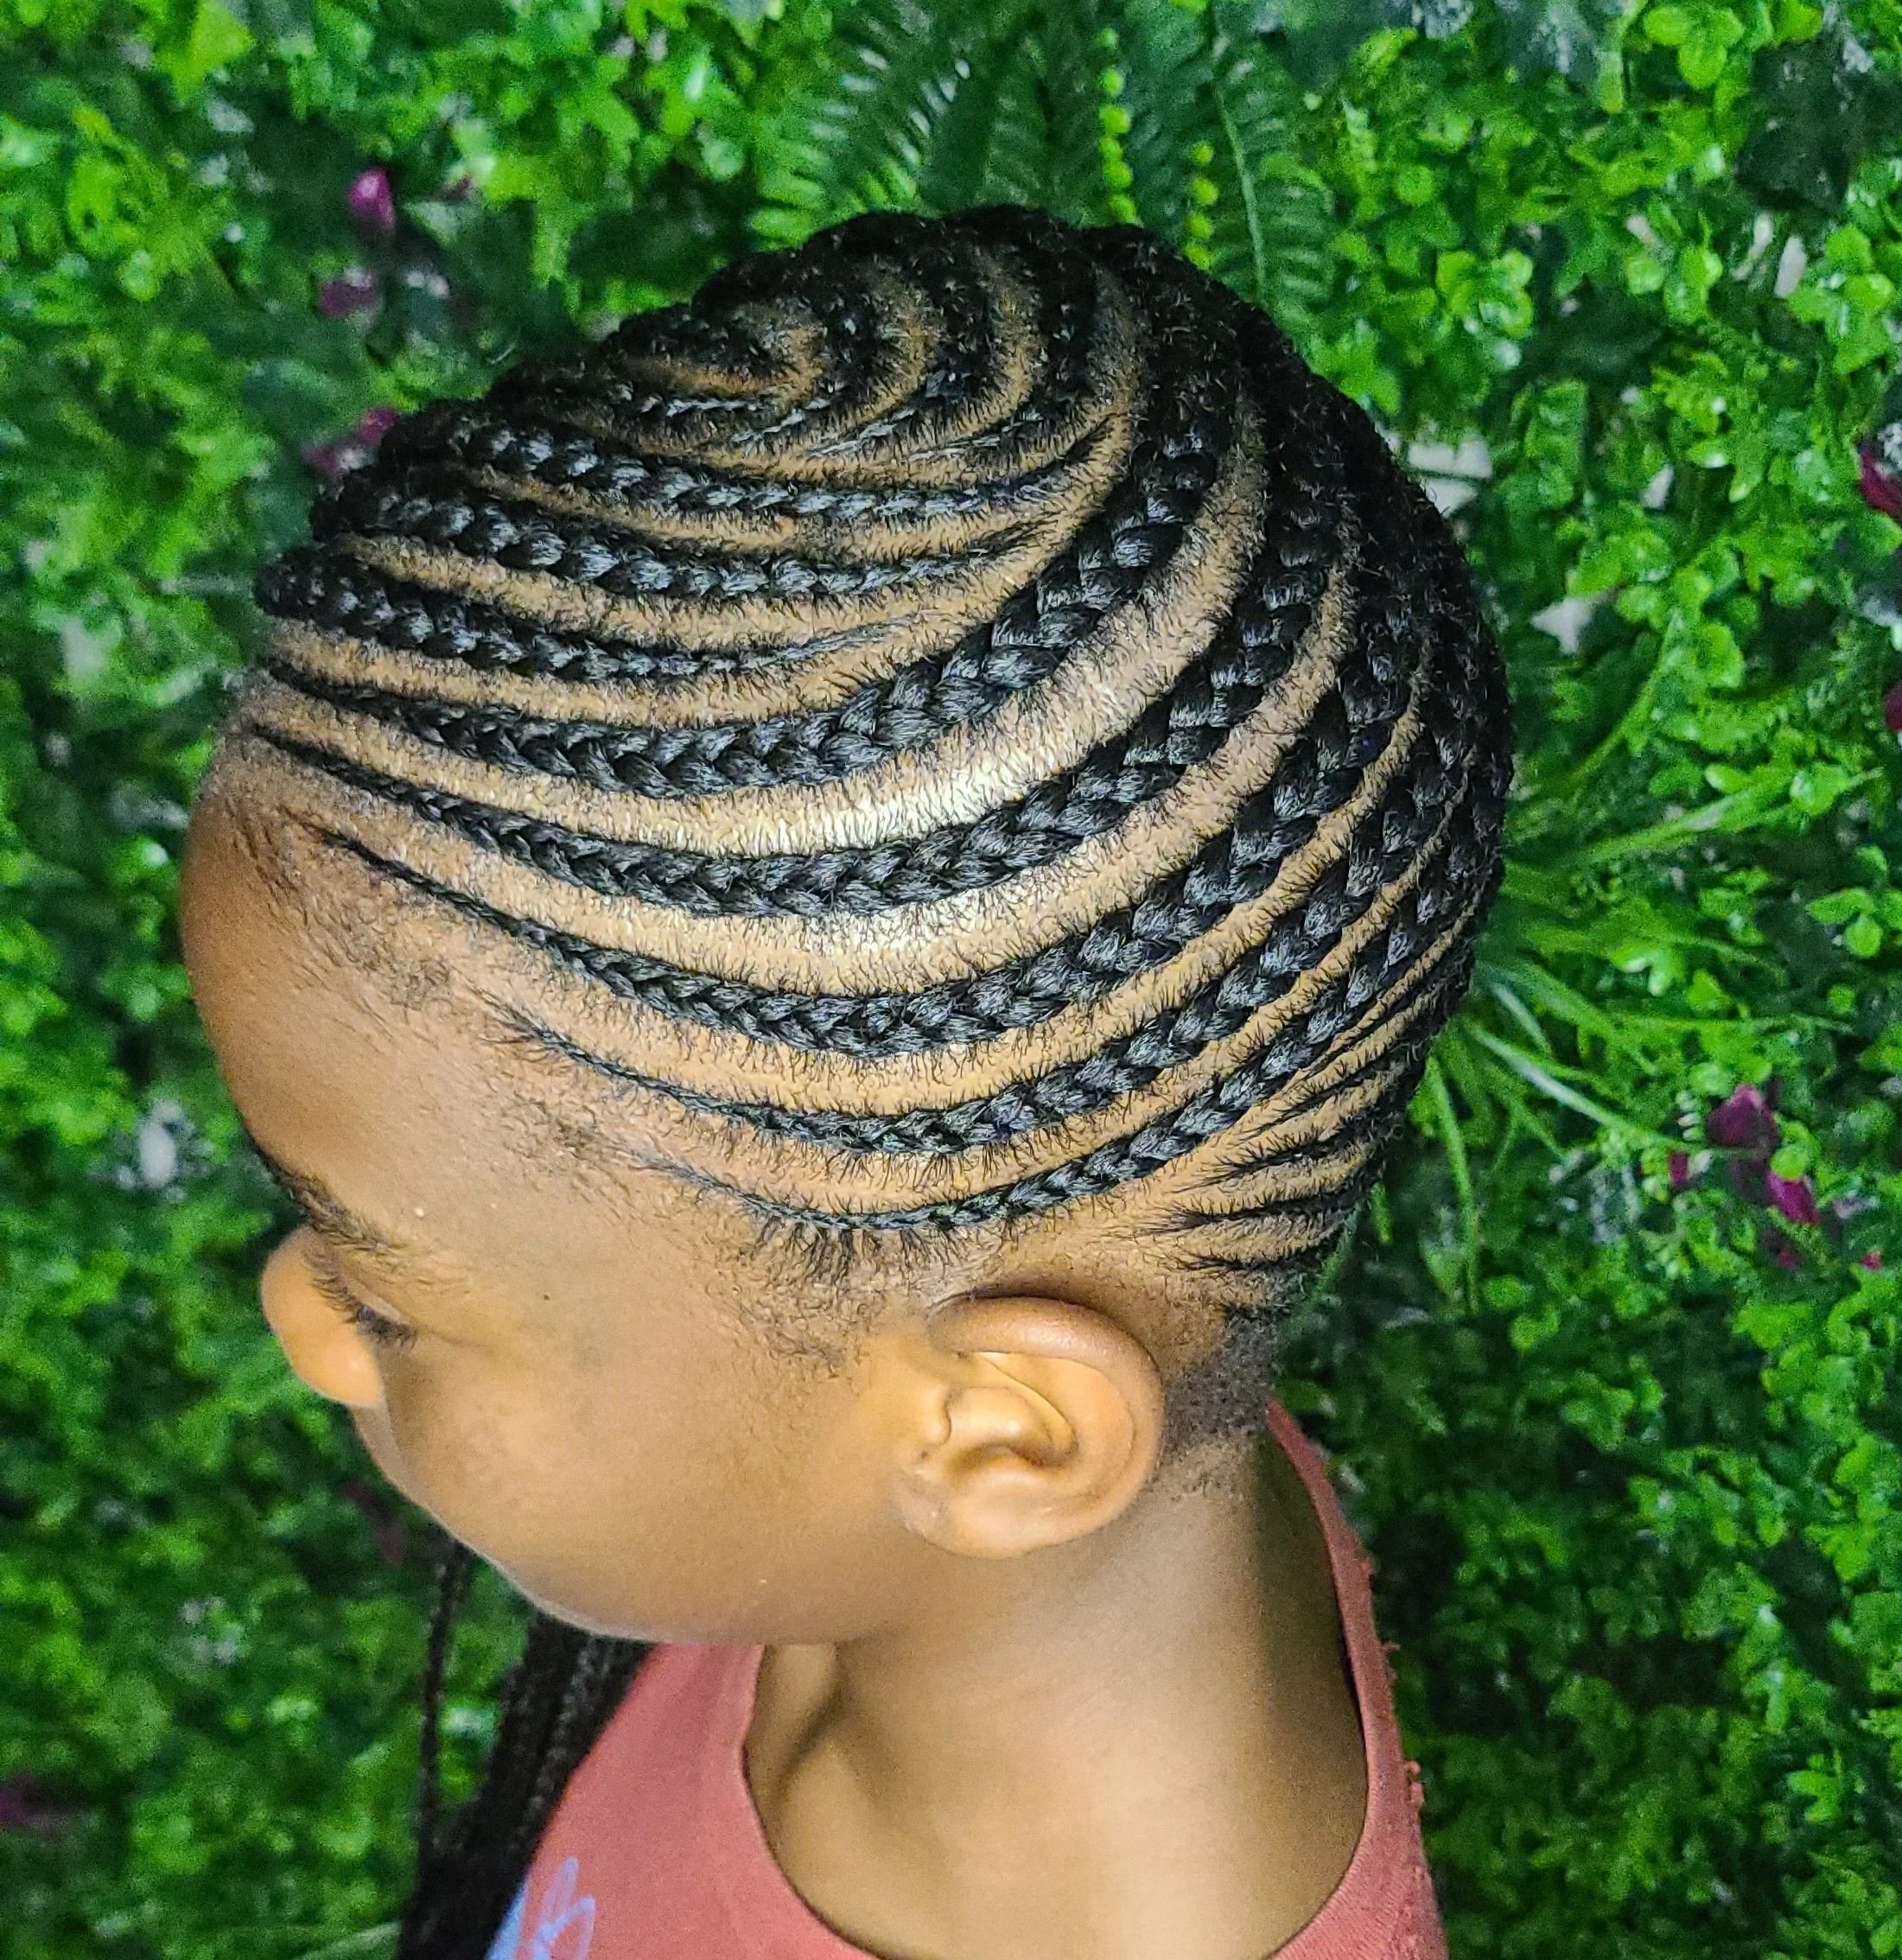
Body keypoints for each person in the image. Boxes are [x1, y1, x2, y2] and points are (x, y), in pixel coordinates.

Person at [180, 203, 1511, 1960]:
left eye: (385, 1290)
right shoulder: (945, 1468)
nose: (299, 1318)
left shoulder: (862, 1414)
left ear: (1004, 1437)